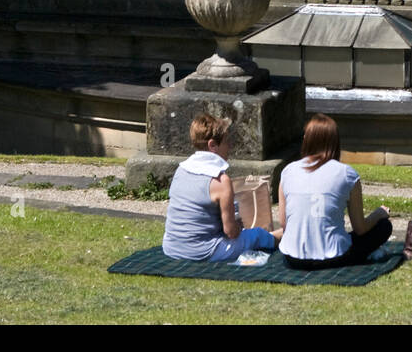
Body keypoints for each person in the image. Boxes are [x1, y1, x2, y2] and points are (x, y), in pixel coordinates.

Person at [277, 113, 393, 269]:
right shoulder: (347, 174)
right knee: (384, 227)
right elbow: (360, 228)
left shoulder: (287, 171)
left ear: (306, 140)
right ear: (335, 143)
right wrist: (378, 213)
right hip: (334, 257)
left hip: (293, 258)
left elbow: (285, 224)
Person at [162, 113, 282, 262]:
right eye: (226, 141)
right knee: (257, 234)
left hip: (171, 247)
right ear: (213, 145)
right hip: (203, 251)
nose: (230, 146)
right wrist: (238, 226)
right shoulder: (220, 181)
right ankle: (281, 238)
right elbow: (231, 232)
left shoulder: (181, 170)